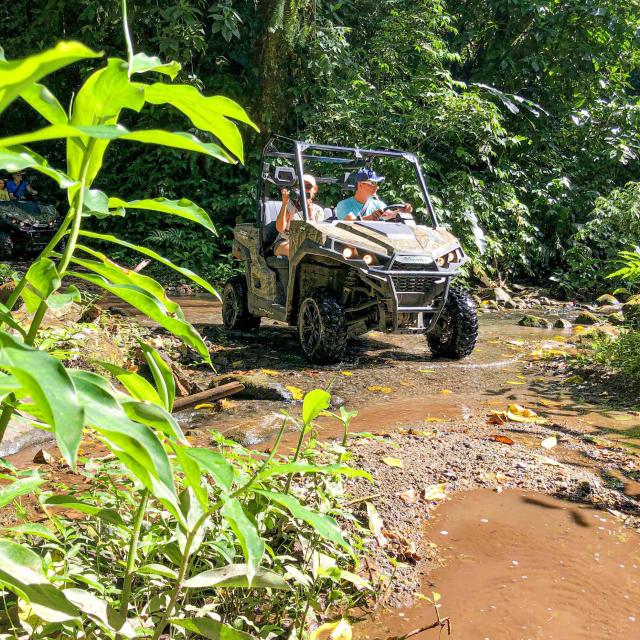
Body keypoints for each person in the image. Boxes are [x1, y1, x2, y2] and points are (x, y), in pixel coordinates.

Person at [273, 174, 325, 258]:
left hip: (307, 245)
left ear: (315, 189)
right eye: (302, 186)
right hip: (286, 241)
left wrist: (310, 214)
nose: (304, 190)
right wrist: (284, 204)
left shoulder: (318, 210)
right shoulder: (290, 205)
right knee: (297, 253)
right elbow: (280, 228)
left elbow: (316, 236)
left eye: (308, 187)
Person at [335, 168, 412, 221]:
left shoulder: (378, 204)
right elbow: (351, 224)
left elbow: (390, 214)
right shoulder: (344, 205)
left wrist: (402, 211)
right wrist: (372, 217)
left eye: (377, 184)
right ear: (360, 185)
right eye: (373, 183)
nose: (377, 187)